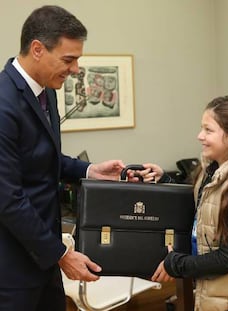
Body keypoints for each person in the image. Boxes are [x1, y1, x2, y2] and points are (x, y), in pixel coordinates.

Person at [0, 5, 135, 311]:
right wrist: (61, 254)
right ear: (37, 49)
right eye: (69, 59)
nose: (75, 70)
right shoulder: (3, 103)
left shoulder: (47, 92)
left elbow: (41, 158)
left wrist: (89, 170)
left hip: (44, 264)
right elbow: (8, 198)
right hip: (12, 272)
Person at [141, 95, 228, 310]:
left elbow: (227, 259)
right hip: (219, 293)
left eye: (208, 130)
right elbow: (201, 207)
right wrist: (165, 181)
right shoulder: (212, 170)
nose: (199, 136)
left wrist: (175, 264)